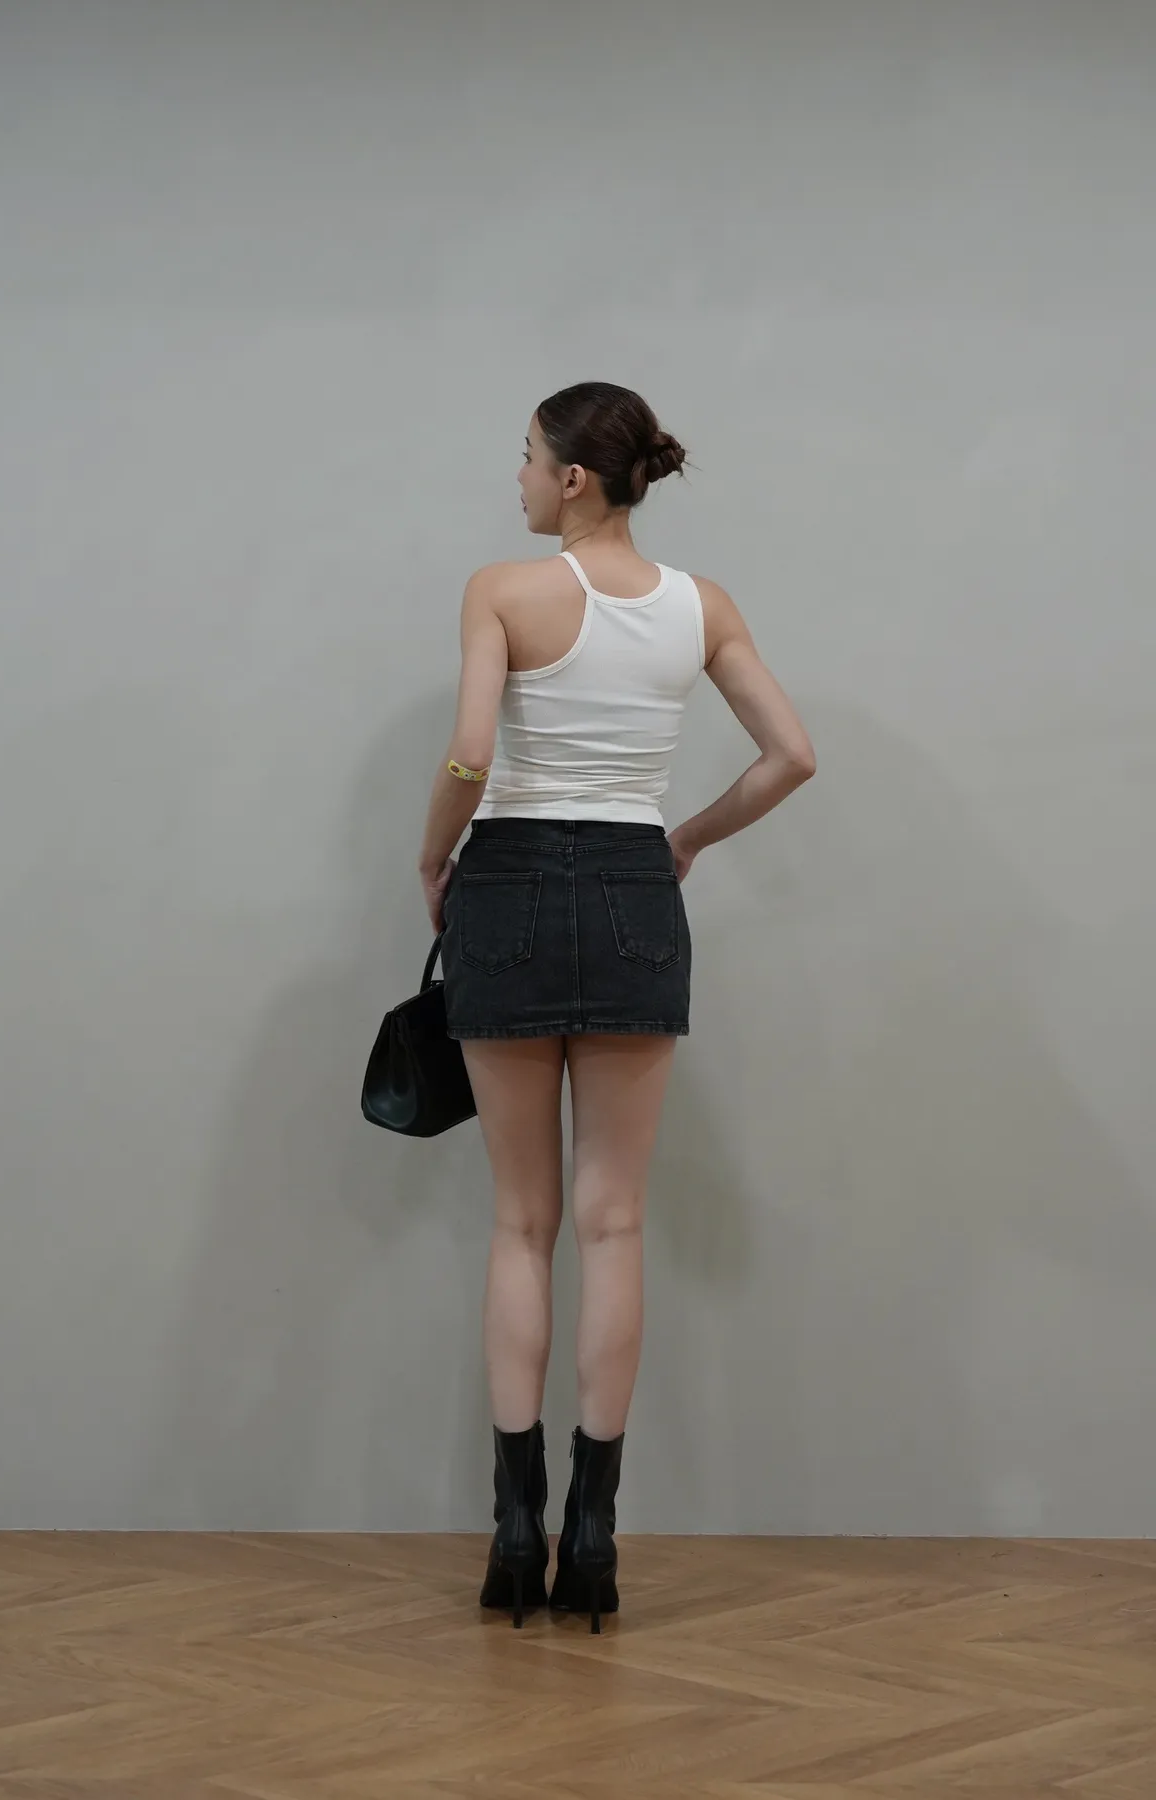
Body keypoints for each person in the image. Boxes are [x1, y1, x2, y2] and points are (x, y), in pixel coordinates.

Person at [416, 381, 815, 1632]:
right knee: (615, 1225)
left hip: (510, 885)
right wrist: (681, 839)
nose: (520, 479)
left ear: (574, 478)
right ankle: (593, 1539)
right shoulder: (704, 605)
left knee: (521, 1223)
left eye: (529, 459)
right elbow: (793, 756)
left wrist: (432, 858)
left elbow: (472, 753)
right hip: (638, 886)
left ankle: (514, 1531)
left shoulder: (502, 590)